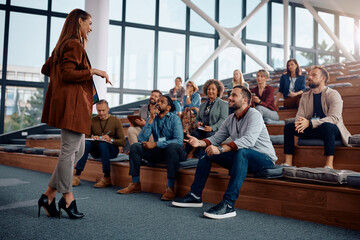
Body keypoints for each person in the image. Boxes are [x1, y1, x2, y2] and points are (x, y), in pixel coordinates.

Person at [38, 9, 111, 219]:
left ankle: (48, 195)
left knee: (77, 152)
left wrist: (60, 62)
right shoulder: (73, 44)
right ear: (79, 21)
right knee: (69, 153)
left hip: (73, 106)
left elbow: (47, 68)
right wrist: (93, 71)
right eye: (89, 23)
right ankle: (67, 198)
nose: (91, 27)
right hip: (73, 106)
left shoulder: (64, 44)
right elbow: (68, 73)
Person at [172, 85, 277, 219]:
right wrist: (199, 143)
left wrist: (221, 149)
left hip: (264, 159)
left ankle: (228, 204)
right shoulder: (231, 118)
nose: (230, 98)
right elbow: (216, 138)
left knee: (242, 152)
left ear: (245, 100)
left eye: (234, 95)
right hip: (243, 159)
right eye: (230, 95)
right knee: (207, 151)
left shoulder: (254, 115)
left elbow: (248, 141)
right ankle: (195, 195)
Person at [118, 96, 186, 201]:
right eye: (158, 101)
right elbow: (141, 138)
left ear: (168, 107)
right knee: (136, 146)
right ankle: (135, 183)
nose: (158, 103)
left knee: (172, 147)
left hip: (175, 152)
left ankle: (170, 188)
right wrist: (150, 120)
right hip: (159, 152)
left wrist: (156, 144)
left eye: (161, 102)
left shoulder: (174, 118)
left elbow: (178, 141)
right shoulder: (153, 118)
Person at [283, 66, 351, 169]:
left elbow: (334, 118)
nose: (309, 77)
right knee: (288, 127)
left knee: (327, 126)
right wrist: (303, 123)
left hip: (331, 129)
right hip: (313, 128)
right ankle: (288, 162)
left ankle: (329, 164)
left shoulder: (333, 94)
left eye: (314, 75)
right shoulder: (305, 97)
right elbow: (299, 118)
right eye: (309, 75)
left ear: (323, 79)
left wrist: (310, 123)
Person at [72, 99, 125, 188]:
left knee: (103, 145)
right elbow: (86, 137)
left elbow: (122, 141)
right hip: (97, 150)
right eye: (99, 110)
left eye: (103, 110)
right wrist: (93, 138)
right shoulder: (93, 120)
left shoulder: (115, 120)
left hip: (111, 150)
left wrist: (110, 140)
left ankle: (107, 177)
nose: (101, 113)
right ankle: (77, 175)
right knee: (86, 143)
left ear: (108, 109)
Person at [187, 79, 228, 159]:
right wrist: (197, 123)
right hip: (202, 129)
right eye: (209, 89)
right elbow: (197, 119)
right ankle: (185, 156)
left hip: (215, 130)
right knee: (194, 134)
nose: (210, 91)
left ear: (218, 91)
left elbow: (223, 119)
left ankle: (198, 157)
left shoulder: (223, 104)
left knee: (208, 136)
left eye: (213, 89)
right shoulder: (203, 105)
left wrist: (212, 128)